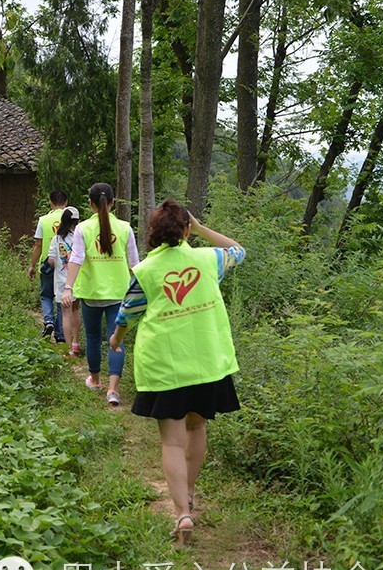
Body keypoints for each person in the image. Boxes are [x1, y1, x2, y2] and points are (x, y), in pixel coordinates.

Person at [109, 199, 243, 545]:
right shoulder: (208, 259)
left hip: (165, 367)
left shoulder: (146, 271)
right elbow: (238, 250)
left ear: (152, 233)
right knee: (197, 428)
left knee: (171, 440)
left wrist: (116, 339)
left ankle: (182, 513)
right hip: (207, 363)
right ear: (185, 229)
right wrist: (200, 229)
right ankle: (190, 493)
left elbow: (127, 314)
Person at [60, 183, 138, 407]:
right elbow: (135, 263)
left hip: (91, 293)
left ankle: (95, 381)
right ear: (113, 202)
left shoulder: (83, 228)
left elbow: (76, 258)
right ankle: (113, 390)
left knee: (93, 338)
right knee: (116, 338)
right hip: (118, 293)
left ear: (90, 203)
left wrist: (68, 288)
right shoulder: (125, 228)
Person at [29, 190, 69, 339]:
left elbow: (38, 245)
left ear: (50, 203)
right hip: (65, 266)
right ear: (66, 203)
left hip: (47, 264)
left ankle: (48, 321)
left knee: (46, 295)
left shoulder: (43, 220)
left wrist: (32, 265)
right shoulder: (71, 220)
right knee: (61, 299)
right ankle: (60, 335)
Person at [51, 206, 82, 357]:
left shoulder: (56, 239)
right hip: (78, 279)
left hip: (62, 282)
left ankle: (68, 349)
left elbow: (51, 261)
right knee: (76, 310)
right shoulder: (80, 237)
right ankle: (76, 343)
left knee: (66, 314)